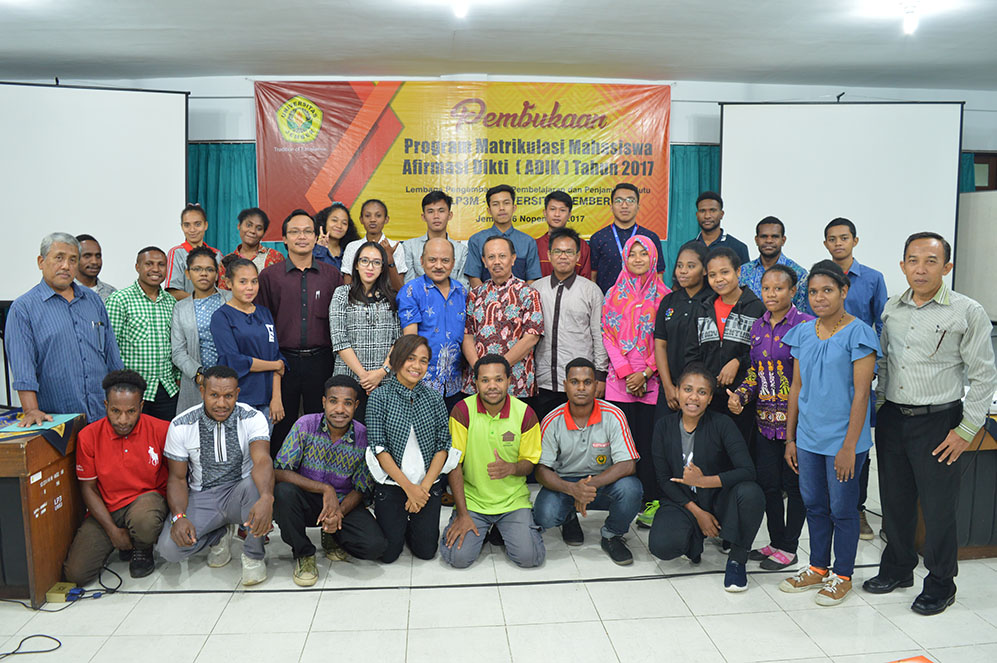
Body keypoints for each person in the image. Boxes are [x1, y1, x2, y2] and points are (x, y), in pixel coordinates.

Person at [864, 232, 997, 616]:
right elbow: (885, 362)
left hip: (939, 421)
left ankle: (941, 584)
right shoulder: (892, 308)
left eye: (930, 261)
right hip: (894, 417)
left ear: (947, 267)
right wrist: (881, 407)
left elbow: (983, 375)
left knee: (938, 510)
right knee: (895, 502)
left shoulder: (967, 311)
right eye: (913, 260)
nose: (920, 269)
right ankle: (898, 568)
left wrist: (966, 430)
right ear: (902, 265)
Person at [779, 260, 880, 606]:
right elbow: (796, 388)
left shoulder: (859, 333)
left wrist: (849, 446)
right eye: (813, 292)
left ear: (843, 291)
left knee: (842, 508)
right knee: (814, 504)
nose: (819, 297)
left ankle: (843, 575)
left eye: (827, 290)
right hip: (808, 438)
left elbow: (862, 394)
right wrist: (790, 439)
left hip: (844, 440)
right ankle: (817, 567)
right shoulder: (803, 333)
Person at [648, 365, 764, 592]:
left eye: (702, 392)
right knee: (662, 547)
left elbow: (748, 471)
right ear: (677, 391)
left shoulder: (722, 424)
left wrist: (703, 482)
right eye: (688, 389)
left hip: (718, 499)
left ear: (710, 398)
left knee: (751, 492)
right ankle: (695, 541)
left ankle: (737, 560)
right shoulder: (664, 426)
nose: (694, 397)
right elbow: (663, 479)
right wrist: (698, 514)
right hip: (683, 502)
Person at [728, 265, 813, 570]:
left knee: (795, 486)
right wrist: (741, 395)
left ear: (793, 291)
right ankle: (776, 542)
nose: (771, 294)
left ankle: (790, 547)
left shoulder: (807, 326)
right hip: (765, 423)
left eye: (779, 288)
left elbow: (810, 377)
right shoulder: (758, 327)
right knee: (769, 485)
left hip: (797, 425)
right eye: (766, 288)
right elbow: (756, 372)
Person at [158, 365, 274, 586]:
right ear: (202, 392)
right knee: (169, 550)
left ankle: (253, 556)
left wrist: (267, 497)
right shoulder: (181, 424)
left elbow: (262, 460)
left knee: (256, 486)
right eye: (214, 395)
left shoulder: (252, 417)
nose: (221, 403)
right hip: (202, 496)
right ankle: (219, 534)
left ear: (237, 394)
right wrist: (179, 517)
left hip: (242, 492)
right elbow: (177, 479)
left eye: (228, 396)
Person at [273, 375, 387, 586]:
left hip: (343, 503)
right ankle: (304, 553)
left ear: (356, 406)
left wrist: (337, 513)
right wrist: (326, 489)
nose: (340, 409)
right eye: (334, 401)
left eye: (347, 403)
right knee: (283, 493)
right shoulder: (306, 425)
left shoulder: (364, 436)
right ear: (324, 402)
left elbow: (361, 488)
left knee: (375, 547)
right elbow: (279, 471)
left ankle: (332, 535)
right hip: (306, 499)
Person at [6, 232, 122, 426]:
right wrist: (31, 410)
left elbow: (111, 355)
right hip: (57, 420)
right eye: (59, 258)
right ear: (41, 262)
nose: (66, 266)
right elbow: (23, 368)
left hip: (102, 414)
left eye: (73, 260)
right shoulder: (23, 309)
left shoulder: (92, 300)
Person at [63, 370, 169, 584]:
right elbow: (88, 488)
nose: (123, 420)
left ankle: (142, 547)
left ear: (141, 406)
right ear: (105, 405)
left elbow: (176, 478)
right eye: (115, 411)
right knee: (76, 574)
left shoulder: (162, 429)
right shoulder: (88, 436)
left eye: (131, 411)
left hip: (146, 502)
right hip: (107, 508)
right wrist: (112, 531)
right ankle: (124, 540)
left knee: (144, 522)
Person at [441, 355, 546, 569]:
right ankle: (481, 529)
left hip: (512, 501)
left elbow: (530, 462)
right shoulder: (462, 411)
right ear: (475, 383)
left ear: (509, 380)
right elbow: (454, 465)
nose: (492, 386)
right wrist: (462, 514)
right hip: (473, 502)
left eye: (498, 379)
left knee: (530, 558)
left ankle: (502, 528)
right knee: (457, 559)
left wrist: (512, 468)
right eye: (485, 380)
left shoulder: (525, 413)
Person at [533, 358, 641, 565]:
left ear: (596, 385)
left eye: (587, 382)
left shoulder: (614, 415)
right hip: (566, 485)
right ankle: (568, 517)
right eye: (575, 382)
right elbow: (541, 470)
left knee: (631, 490)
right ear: (565, 385)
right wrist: (573, 489)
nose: (581, 388)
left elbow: (628, 464)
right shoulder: (551, 420)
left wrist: (586, 487)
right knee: (544, 515)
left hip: (603, 483)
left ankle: (612, 535)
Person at [823, 217, 888, 540]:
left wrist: (874, 363)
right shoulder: (818, 278)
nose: (838, 243)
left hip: (858, 370)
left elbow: (882, 323)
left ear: (855, 241)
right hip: (825, 372)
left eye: (844, 238)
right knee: (825, 439)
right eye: (832, 239)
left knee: (858, 440)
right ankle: (827, 506)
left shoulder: (873, 279)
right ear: (825, 244)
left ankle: (857, 508)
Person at [257, 209, 343, 449]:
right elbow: (264, 325)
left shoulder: (331, 275)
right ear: (284, 238)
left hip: (322, 361)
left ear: (316, 237)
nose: (302, 237)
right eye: (295, 232)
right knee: (281, 425)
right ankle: (280, 471)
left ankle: (317, 470)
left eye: (307, 232)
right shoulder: (269, 277)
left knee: (321, 424)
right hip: (283, 363)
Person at [365, 335, 454, 563]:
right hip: (393, 485)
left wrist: (422, 489)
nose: (417, 366)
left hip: (427, 485)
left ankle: (411, 522)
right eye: (410, 358)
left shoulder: (434, 398)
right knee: (388, 555)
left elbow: (443, 446)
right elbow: (379, 448)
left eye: (423, 361)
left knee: (426, 552)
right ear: (397, 360)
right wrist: (408, 489)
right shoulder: (379, 397)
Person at [643, 240, 712, 528]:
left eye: (691, 266)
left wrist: (695, 393)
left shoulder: (712, 302)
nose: (683, 271)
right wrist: (669, 387)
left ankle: (702, 509)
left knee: (702, 449)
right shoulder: (669, 301)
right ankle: (661, 502)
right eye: (680, 265)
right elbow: (660, 345)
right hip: (670, 390)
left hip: (701, 395)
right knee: (664, 447)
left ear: (705, 270)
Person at [602, 234, 669, 510]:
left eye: (644, 253)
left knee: (648, 443)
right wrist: (627, 372)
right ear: (625, 258)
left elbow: (666, 339)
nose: (638, 259)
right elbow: (607, 334)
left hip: (653, 380)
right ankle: (621, 501)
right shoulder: (612, 294)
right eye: (633, 254)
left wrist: (645, 373)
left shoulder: (665, 296)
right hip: (619, 381)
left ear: (653, 258)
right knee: (620, 444)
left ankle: (650, 499)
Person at [684, 247, 765, 444]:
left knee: (738, 451)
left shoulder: (757, 309)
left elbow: (762, 354)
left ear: (738, 271)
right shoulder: (703, 309)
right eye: (712, 275)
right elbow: (691, 353)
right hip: (708, 399)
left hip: (742, 399)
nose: (719, 279)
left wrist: (738, 361)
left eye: (725, 272)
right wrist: (703, 387)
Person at [533, 228, 608, 422]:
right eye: (558, 251)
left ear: (578, 256)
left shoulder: (591, 291)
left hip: (580, 384)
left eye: (569, 252)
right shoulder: (535, 290)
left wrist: (600, 375)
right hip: (543, 381)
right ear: (549, 255)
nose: (563, 256)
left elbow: (599, 335)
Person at [211, 256, 285, 438]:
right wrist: (274, 365)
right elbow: (233, 360)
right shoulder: (222, 317)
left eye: (254, 281)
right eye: (243, 282)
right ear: (229, 283)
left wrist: (276, 398)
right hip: (240, 399)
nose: (250, 287)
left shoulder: (264, 313)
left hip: (268, 400)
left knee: (262, 451)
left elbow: (277, 357)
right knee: (239, 452)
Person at [462, 236, 544, 400]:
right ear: (484, 261)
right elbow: (467, 335)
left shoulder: (528, 293)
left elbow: (531, 337)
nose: (497, 262)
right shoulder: (475, 295)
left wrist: (499, 369)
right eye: (491, 257)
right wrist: (480, 369)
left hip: (516, 381)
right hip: (479, 381)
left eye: (502, 256)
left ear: (513, 259)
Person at [106, 247, 179, 422]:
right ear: (137, 267)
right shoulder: (120, 300)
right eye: (149, 264)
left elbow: (176, 343)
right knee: (133, 437)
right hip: (132, 390)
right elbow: (109, 347)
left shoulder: (171, 302)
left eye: (161, 264)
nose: (155, 269)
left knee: (165, 436)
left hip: (167, 389)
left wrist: (177, 377)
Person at [330, 241, 401, 420]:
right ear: (356, 264)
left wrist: (381, 372)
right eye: (364, 261)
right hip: (348, 380)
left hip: (385, 381)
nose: (370, 267)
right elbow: (339, 340)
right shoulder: (342, 294)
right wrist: (365, 378)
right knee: (349, 432)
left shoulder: (392, 297)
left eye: (376, 262)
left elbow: (399, 341)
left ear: (383, 268)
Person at [397, 237, 468, 411]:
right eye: (432, 260)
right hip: (421, 382)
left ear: (453, 263)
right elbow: (410, 339)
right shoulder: (411, 291)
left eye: (445, 260)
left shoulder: (462, 292)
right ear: (422, 261)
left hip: (455, 383)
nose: (438, 266)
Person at [170, 246, 232, 414]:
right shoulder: (180, 308)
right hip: (196, 383)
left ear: (217, 274)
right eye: (197, 269)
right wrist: (199, 375)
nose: (203, 274)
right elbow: (178, 352)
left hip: (231, 380)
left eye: (209, 269)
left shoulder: (231, 299)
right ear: (188, 274)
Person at [589, 183, 666, 294]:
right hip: (607, 301)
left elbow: (658, 275)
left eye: (630, 200)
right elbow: (593, 277)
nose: (624, 205)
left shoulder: (650, 238)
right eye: (618, 201)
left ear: (638, 206)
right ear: (611, 207)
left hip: (644, 301)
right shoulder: (598, 238)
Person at [464, 184, 541, 288]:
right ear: (489, 210)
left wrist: (518, 296)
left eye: (506, 203)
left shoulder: (528, 242)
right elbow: (474, 277)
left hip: (520, 297)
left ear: (514, 208)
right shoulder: (477, 240)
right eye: (496, 204)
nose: (501, 208)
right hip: (487, 297)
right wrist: (488, 297)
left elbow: (532, 278)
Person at [738, 217, 810, 313]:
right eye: (764, 236)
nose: (769, 240)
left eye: (774, 236)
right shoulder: (743, 272)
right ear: (756, 240)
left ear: (783, 240)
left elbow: (802, 314)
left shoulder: (799, 274)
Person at [401, 191, 470, 289]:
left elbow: (462, 288)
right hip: (419, 298)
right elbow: (409, 286)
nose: (436, 216)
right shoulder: (409, 247)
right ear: (423, 217)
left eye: (441, 211)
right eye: (430, 211)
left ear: (450, 215)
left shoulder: (461, 250)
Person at [341, 199, 407, 291]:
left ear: (386, 219)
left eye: (378, 215)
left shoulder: (395, 247)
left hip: (387, 298)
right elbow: (347, 286)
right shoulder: (352, 247)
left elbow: (400, 289)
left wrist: (389, 258)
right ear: (361, 219)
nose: (372, 220)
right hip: (358, 298)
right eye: (367, 216)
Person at [165, 203, 221, 301]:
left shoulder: (217, 254)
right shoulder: (176, 253)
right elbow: (172, 292)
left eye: (197, 224)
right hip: (186, 308)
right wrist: (201, 302)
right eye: (187, 225)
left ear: (206, 225)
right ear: (182, 227)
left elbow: (222, 289)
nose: (192, 229)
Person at [219, 207, 284, 284]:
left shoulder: (275, 257)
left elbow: (281, 287)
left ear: (264, 233)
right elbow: (223, 290)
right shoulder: (226, 261)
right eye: (249, 225)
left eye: (259, 228)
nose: (253, 231)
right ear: (239, 226)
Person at [536, 191, 591, 279]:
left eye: (562, 210)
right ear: (545, 212)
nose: (557, 214)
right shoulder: (535, 245)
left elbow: (585, 280)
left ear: (569, 215)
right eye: (552, 209)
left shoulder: (582, 246)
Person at [692, 191, 750, 266]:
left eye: (712, 210)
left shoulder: (738, 248)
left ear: (721, 214)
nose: (707, 216)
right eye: (702, 211)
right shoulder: (689, 248)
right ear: (697, 215)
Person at [313, 202, 361, 271]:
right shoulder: (311, 247)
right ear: (324, 222)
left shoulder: (350, 251)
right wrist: (320, 249)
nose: (339, 226)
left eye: (344, 223)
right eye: (334, 220)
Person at [75, 234, 117, 303]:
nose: (94, 261)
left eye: (98, 256)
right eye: (87, 256)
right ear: (74, 258)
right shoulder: (64, 291)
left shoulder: (112, 293)